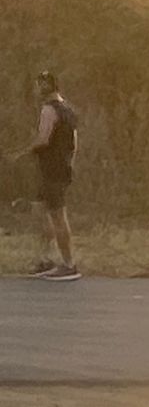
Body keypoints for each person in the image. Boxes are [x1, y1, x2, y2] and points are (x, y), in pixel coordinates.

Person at [11, 70, 80, 281]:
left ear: (44, 86)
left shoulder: (49, 109)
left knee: (58, 216)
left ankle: (69, 265)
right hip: (61, 167)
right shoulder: (67, 109)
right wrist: (69, 163)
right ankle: (46, 259)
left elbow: (43, 139)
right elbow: (74, 143)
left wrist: (21, 154)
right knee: (43, 212)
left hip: (51, 169)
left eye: (38, 85)